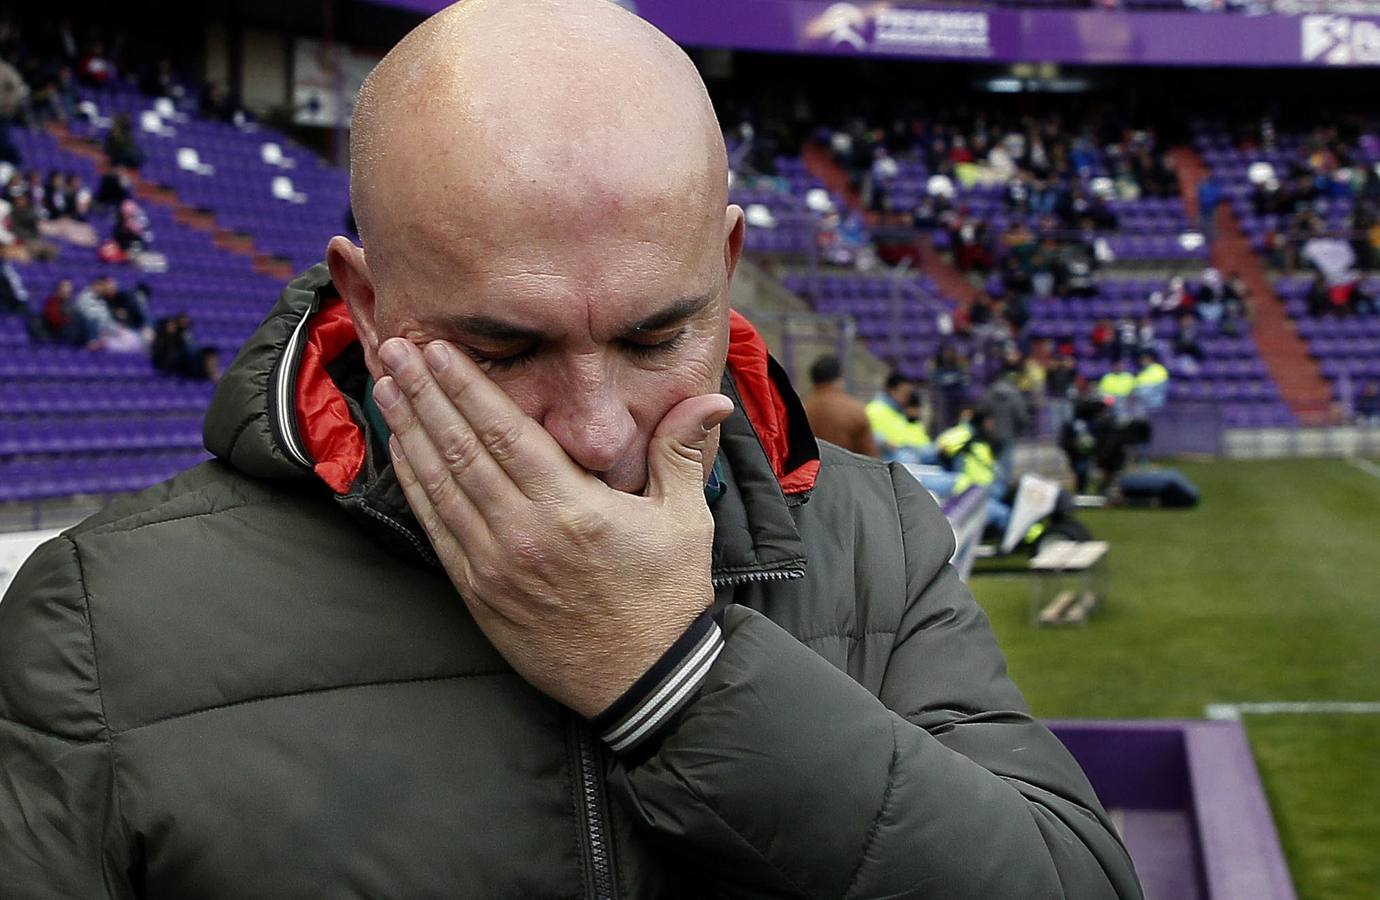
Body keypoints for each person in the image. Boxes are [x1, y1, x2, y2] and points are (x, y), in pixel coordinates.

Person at [0, 2, 1140, 897]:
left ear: (728, 264)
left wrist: (676, 680)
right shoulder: (102, 623)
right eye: (500, 348)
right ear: (368, 293)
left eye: (659, 334)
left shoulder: (874, 534)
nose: (597, 430)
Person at [801, 354, 878, 457]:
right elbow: (870, 457)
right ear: (840, 378)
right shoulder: (855, 411)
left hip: (811, 471)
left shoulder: (801, 411)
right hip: (847, 471)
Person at [865, 369, 937, 464]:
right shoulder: (873, 410)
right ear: (891, 390)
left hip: (915, 453)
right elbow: (870, 436)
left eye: (908, 394)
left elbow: (920, 440)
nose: (907, 397)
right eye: (904, 393)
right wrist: (885, 443)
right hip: (892, 458)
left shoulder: (904, 411)